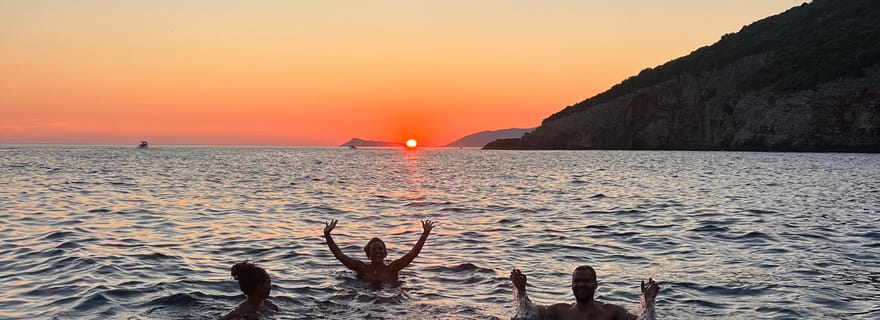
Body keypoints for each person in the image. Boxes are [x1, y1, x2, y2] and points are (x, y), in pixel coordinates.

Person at [509, 266, 659, 320]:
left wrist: (648, 301)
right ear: (572, 285)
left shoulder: (611, 312)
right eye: (577, 281)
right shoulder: (560, 311)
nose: (581, 285)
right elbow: (527, 314)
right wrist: (521, 289)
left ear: (595, 285)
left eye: (586, 281)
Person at [323, 219, 435, 284]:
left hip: (390, 303)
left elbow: (413, 253)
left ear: (385, 253)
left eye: (380, 249)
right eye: (374, 249)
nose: (378, 252)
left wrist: (425, 234)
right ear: (368, 253)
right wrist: (327, 235)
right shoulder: (361, 268)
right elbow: (339, 255)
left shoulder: (393, 268)